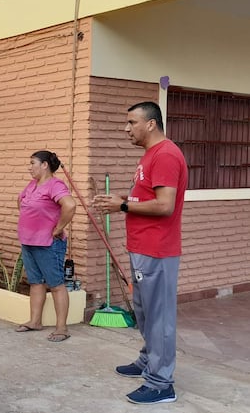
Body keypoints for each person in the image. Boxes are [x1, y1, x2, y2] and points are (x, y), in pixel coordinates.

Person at [93, 101, 187, 405]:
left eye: (131, 123)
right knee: (145, 312)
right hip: (142, 247)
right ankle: (149, 360)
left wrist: (121, 206)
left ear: (151, 124)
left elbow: (164, 205)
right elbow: (146, 195)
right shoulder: (150, 156)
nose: (126, 128)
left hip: (157, 250)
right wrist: (124, 195)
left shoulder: (166, 155)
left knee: (159, 317)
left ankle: (161, 384)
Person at [15, 150, 76, 343]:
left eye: (32, 163)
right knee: (35, 282)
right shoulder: (32, 184)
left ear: (44, 165)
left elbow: (70, 205)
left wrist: (58, 228)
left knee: (56, 285)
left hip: (48, 243)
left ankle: (61, 328)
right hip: (29, 241)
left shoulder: (55, 185)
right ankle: (35, 321)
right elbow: (21, 202)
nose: (29, 167)